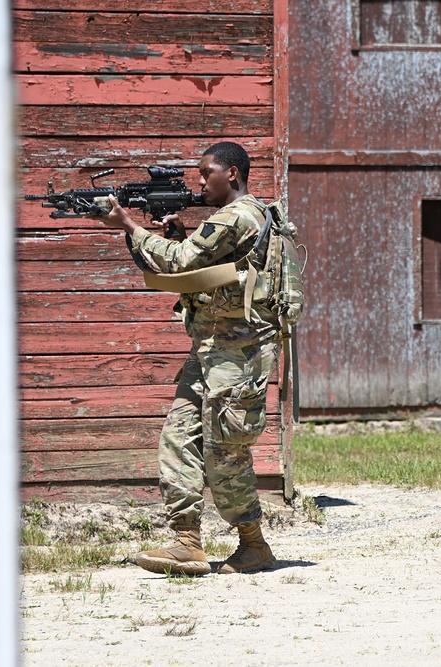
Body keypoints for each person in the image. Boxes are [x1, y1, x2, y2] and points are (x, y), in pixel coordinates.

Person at [94, 141, 303, 576]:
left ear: (232, 173)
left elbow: (180, 262)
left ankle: (253, 545)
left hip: (239, 354)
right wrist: (168, 235)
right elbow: (192, 267)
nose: (199, 181)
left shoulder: (238, 216)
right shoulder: (234, 220)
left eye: (206, 173)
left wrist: (129, 225)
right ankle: (187, 540)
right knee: (178, 436)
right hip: (210, 348)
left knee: (225, 451)